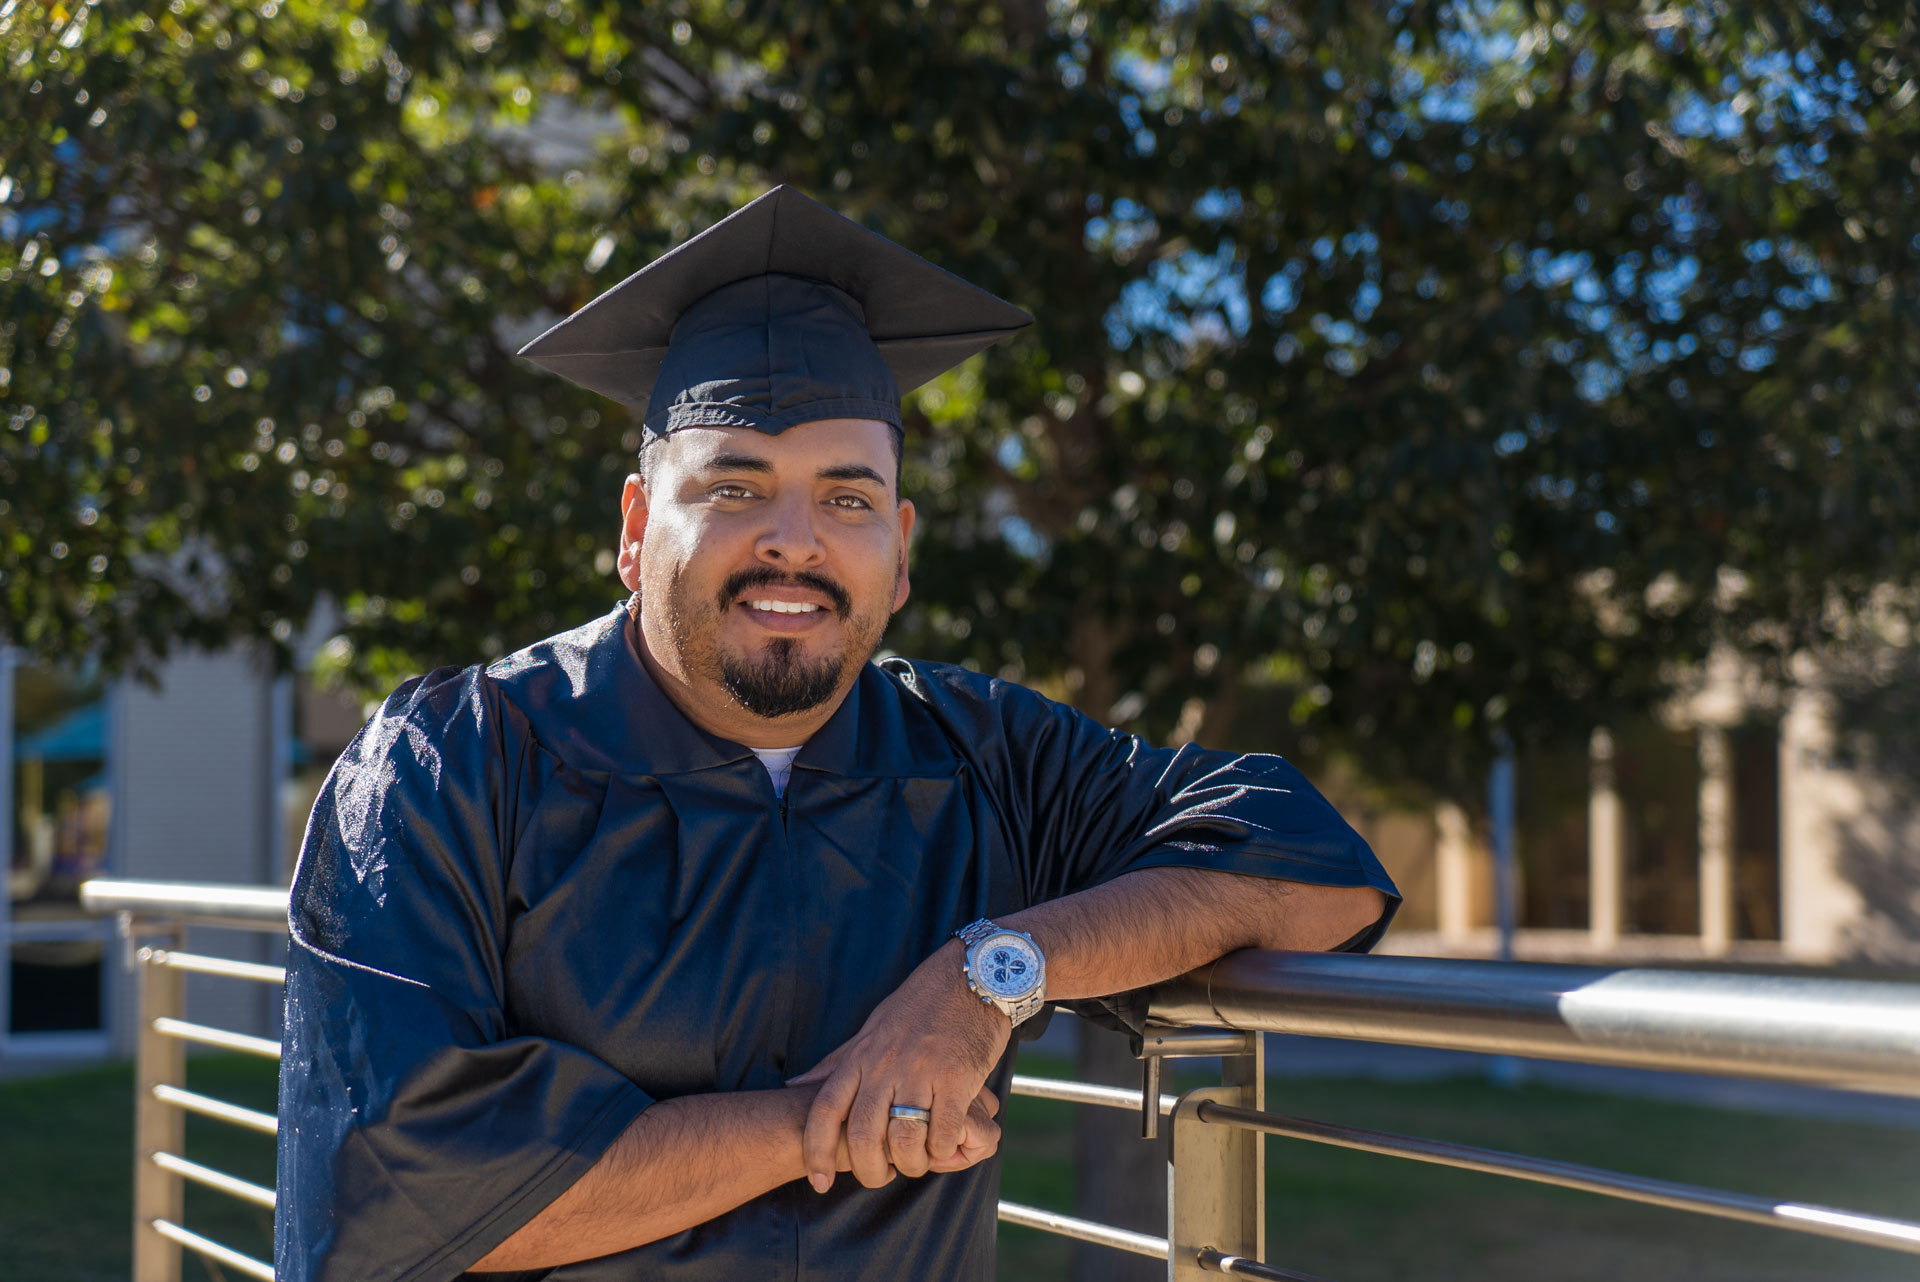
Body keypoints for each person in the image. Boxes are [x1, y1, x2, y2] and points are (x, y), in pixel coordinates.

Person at [274, 185, 1400, 1282]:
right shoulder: (452, 763)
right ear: (633, 528)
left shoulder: (975, 754)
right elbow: (398, 1188)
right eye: (735, 486)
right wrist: (827, 1120)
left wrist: (989, 974)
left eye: (849, 498)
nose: (794, 541)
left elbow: (1310, 868)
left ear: (902, 551)